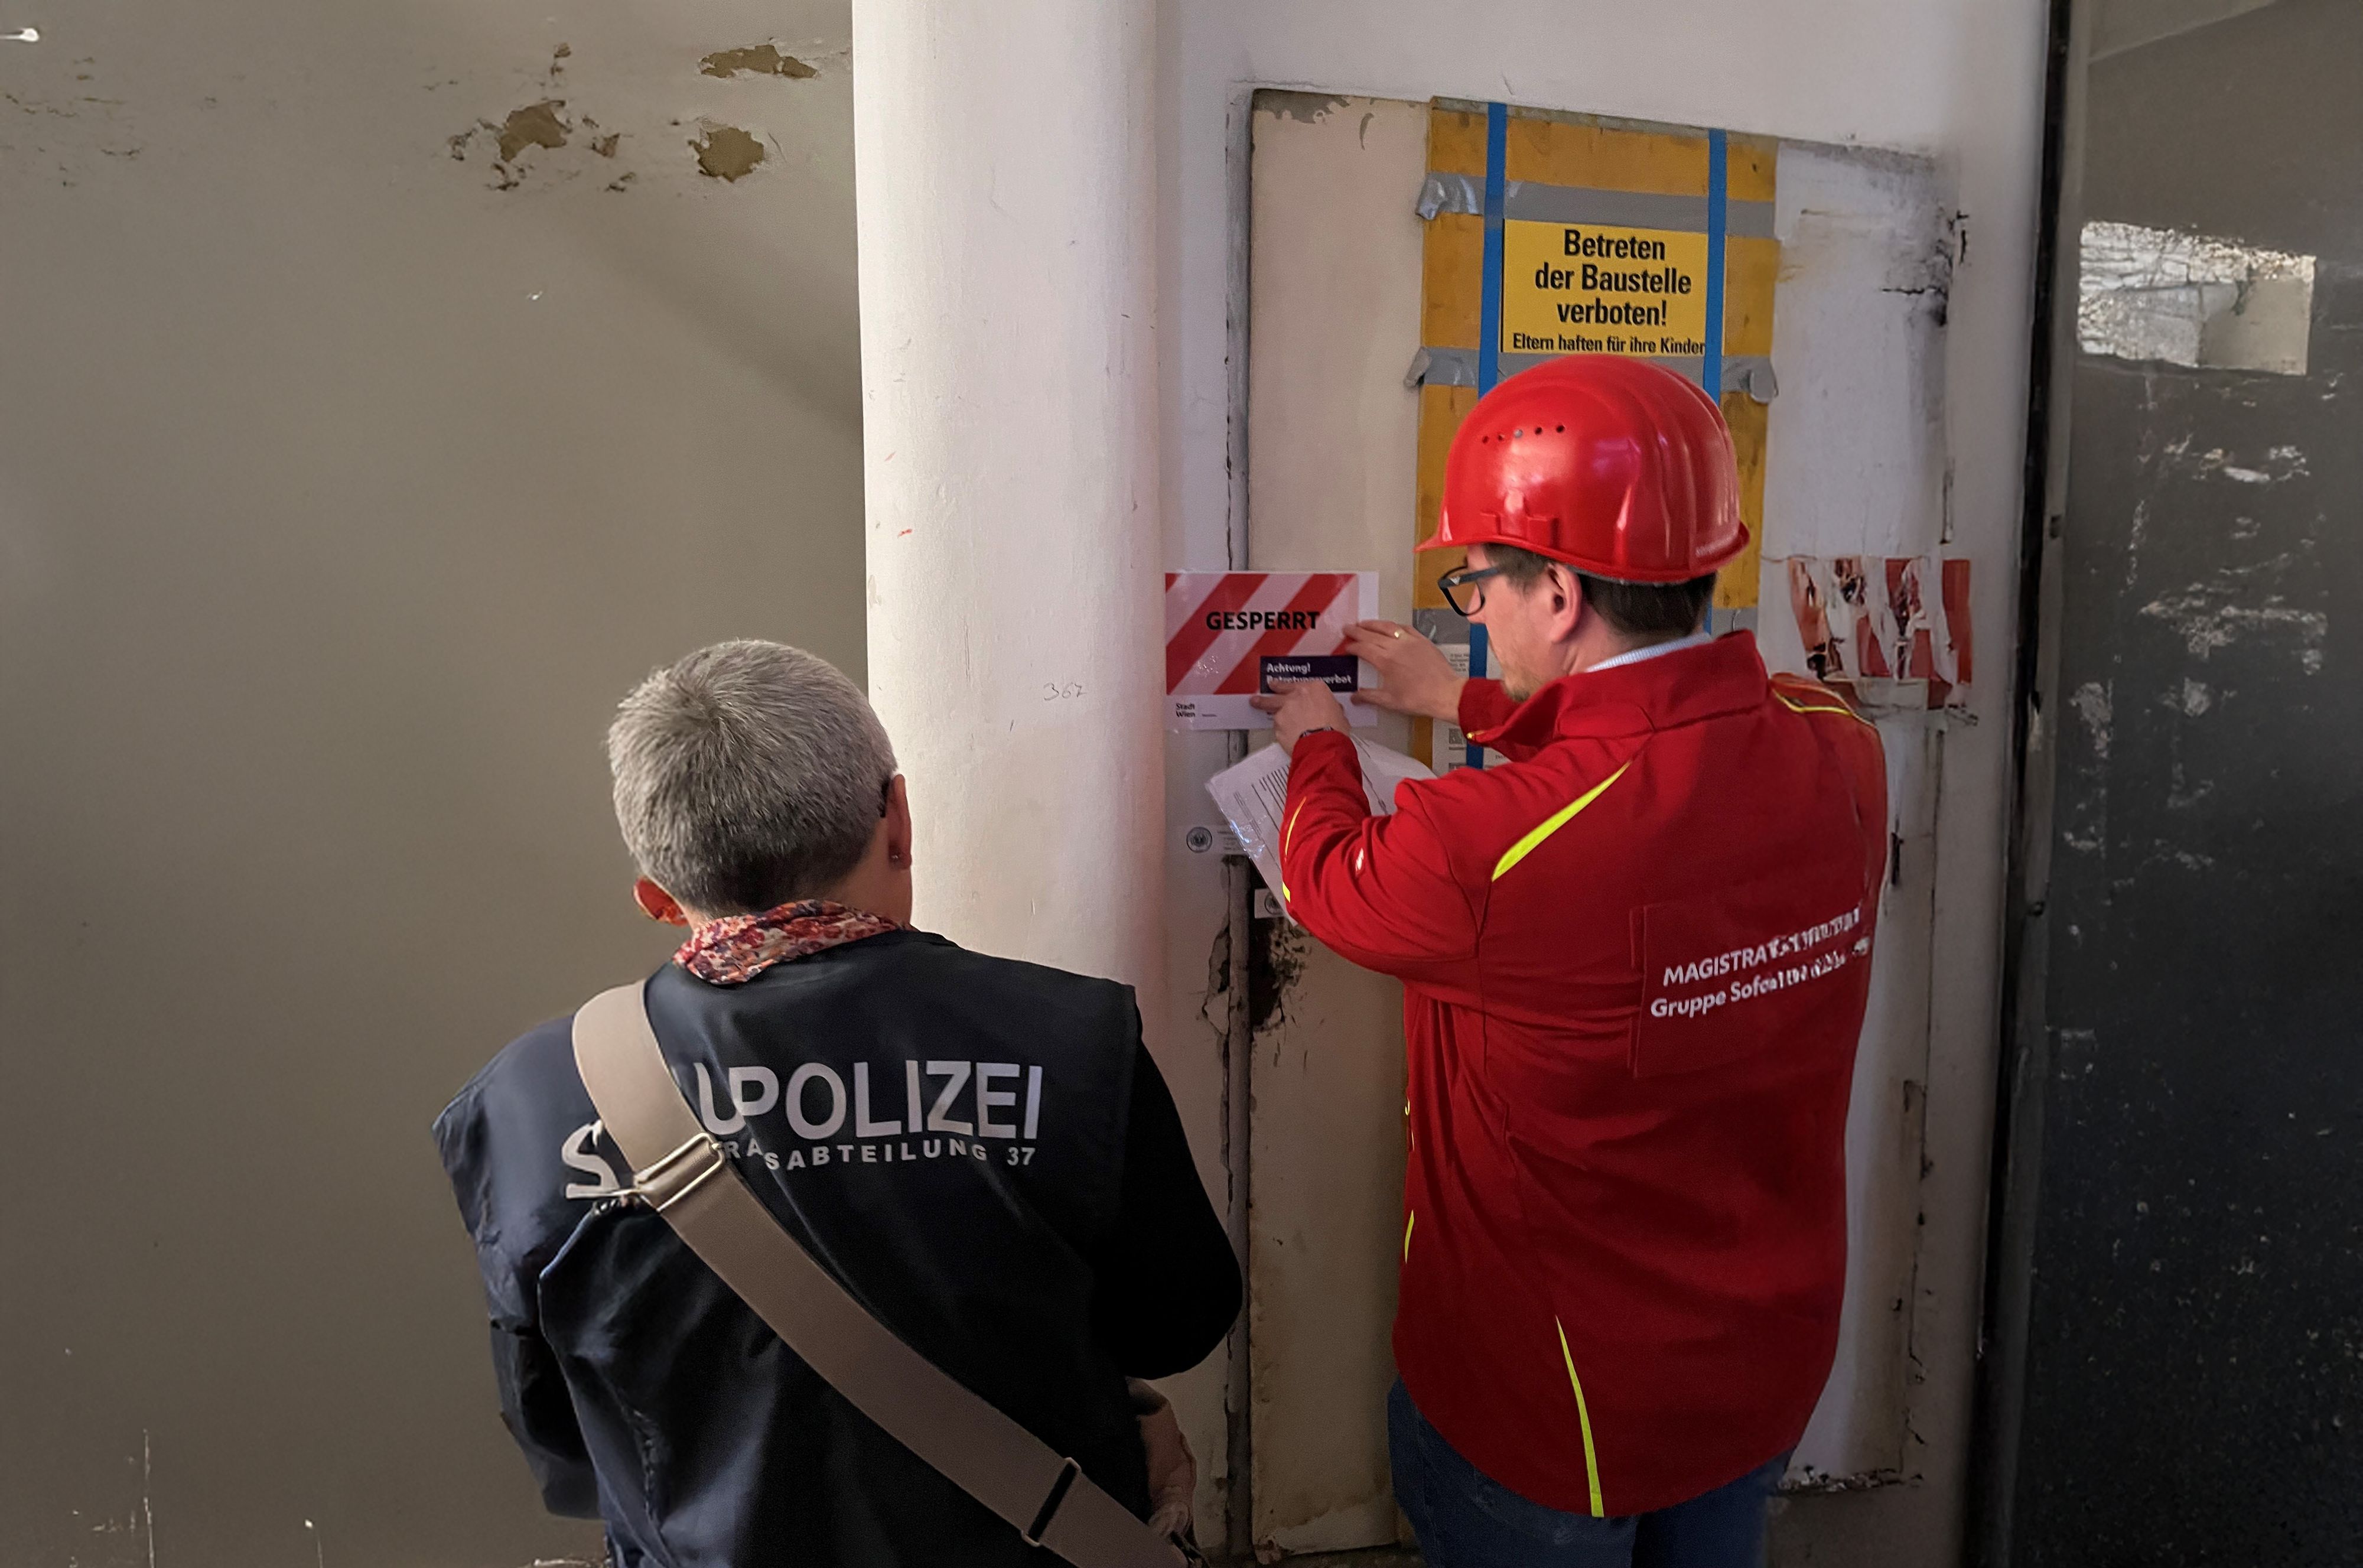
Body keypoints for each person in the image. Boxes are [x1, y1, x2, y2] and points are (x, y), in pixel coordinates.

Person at [1252, 356, 1887, 1568]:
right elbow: (1647, 745)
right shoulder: (1834, 745)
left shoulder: (1473, 846)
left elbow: (1334, 884)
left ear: (1554, 593)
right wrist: (1465, 699)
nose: (1469, 607)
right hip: (1761, 1361)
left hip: (1555, 1411)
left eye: (1477, 580)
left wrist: (1318, 743)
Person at [435, 640, 1239, 1567]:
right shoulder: (1071, 1036)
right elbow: (1180, 1320)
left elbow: (557, 1433)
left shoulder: (527, 1101)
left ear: (658, 896)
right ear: (899, 817)